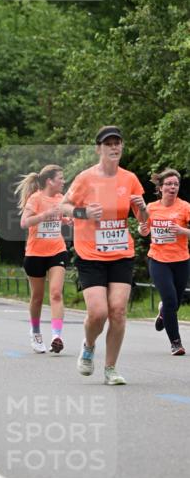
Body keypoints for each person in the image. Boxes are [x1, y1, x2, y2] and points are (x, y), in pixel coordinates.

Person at [63, 126, 148, 385]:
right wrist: (85, 213)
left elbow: (143, 222)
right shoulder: (86, 179)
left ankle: (111, 368)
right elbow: (63, 207)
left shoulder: (130, 179)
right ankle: (88, 345)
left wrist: (143, 210)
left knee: (119, 311)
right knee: (98, 312)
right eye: (108, 143)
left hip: (121, 252)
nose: (114, 147)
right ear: (99, 148)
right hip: (90, 255)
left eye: (117, 143)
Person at [15, 165, 68, 354]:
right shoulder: (36, 198)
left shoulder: (61, 199)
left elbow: (63, 216)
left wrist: (66, 220)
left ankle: (56, 336)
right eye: (60, 178)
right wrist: (44, 215)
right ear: (49, 181)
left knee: (56, 293)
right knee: (37, 297)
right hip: (35, 254)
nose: (63, 181)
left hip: (57, 251)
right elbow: (24, 222)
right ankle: (36, 332)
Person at [138, 168, 189, 356]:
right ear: (160, 188)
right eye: (168, 184)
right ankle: (176, 343)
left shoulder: (185, 207)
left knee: (173, 303)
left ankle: (162, 313)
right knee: (169, 299)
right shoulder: (151, 207)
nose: (172, 187)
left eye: (176, 184)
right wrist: (142, 231)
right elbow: (143, 228)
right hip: (158, 260)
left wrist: (183, 231)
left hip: (182, 260)